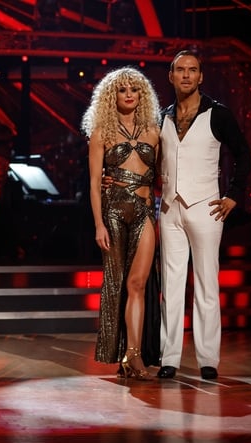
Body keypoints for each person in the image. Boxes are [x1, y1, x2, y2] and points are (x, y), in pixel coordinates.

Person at [156, 50, 251, 380]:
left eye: (192, 70)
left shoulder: (218, 114)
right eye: (180, 70)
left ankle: (208, 359)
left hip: (206, 207)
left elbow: (243, 155)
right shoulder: (162, 117)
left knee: (206, 284)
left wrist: (233, 196)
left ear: (201, 77)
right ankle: (168, 357)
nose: (186, 75)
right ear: (170, 76)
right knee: (171, 285)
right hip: (169, 209)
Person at [81, 66, 161, 380]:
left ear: (142, 95)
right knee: (116, 285)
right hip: (113, 212)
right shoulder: (102, 132)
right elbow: (93, 183)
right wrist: (98, 224)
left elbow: (165, 173)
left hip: (144, 211)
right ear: (111, 96)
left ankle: (134, 355)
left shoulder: (154, 131)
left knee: (138, 284)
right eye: (122, 90)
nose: (128, 95)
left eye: (134, 90)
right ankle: (120, 354)